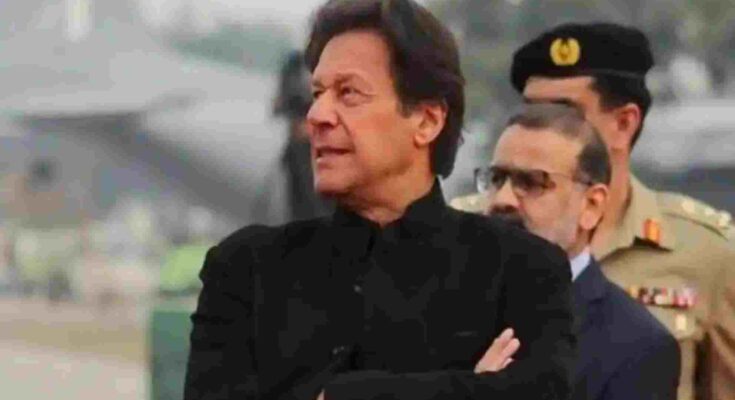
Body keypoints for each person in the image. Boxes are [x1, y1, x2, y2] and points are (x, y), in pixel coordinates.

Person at [184, 1, 575, 399]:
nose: (317, 114)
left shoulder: (521, 271)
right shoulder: (246, 271)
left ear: (427, 120)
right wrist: (472, 386)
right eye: (317, 93)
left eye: (348, 93)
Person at [453, 22, 735, 400]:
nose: (543, 127)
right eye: (531, 111)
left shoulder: (707, 252)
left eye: (564, 113)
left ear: (624, 123)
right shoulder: (465, 232)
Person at [470, 103, 680, 399]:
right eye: (496, 179)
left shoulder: (635, 346)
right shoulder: (445, 303)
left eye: (532, 183)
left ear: (591, 206)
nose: (502, 199)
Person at [251, 50, 333, 225]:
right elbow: (278, 107)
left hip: (323, 153)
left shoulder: (335, 64)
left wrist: (311, 127)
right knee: (299, 204)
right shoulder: (295, 64)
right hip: (298, 151)